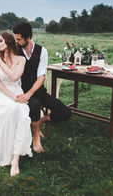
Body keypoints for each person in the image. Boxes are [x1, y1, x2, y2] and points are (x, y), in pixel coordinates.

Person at [0, 32, 32, 177]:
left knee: (21, 114)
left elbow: (15, 77)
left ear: (8, 42)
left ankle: (15, 158)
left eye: (1, 41)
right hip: (1, 95)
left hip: (17, 91)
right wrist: (13, 97)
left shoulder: (21, 59)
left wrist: (1, 63)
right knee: (11, 109)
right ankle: (5, 152)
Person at [13, 22, 71, 153]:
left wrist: (29, 94)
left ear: (28, 38)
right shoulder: (15, 50)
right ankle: (35, 138)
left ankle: (39, 122)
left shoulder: (42, 51)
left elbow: (41, 77)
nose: (16, 41)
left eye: (19, 39)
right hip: (20, 91)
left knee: (65, 112)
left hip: (38, 91)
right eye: (15, 38)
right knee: (34, 105)